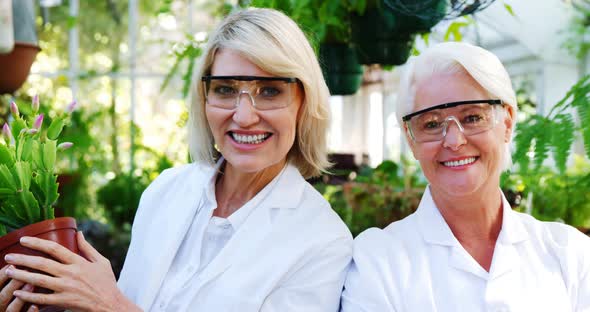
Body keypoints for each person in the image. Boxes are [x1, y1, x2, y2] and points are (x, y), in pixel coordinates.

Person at [1, 8, 352, 312]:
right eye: (225, 89)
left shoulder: (322, 241)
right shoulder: (167, 189)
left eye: (271, 91)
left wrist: (109, 303)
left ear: (304, 103)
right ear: (204, 99)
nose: (244, 116)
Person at [340, 42, 590, 311]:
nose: (454, 140)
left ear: (506, 123)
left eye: (472, 117)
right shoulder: (378, 261)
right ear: (410, 139)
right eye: (432, 124)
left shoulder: (570, 254)